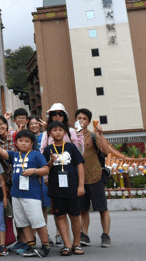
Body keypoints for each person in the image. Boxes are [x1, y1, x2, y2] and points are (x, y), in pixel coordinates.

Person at [0, 131, 50, 258]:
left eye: (27, 141)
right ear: (16, 143)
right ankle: (31, 246)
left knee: (37, 221)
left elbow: (46, 169)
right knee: (23, 223)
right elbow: (1, 152)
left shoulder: (36, 154)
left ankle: (45, 247)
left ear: (32, 143)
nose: (23, 143)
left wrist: (34, 171)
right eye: (20, 141)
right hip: (16, 194)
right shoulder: (15, 155)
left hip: (32, 195)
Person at [42, 121, 85, 255]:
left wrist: (81, 185)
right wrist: (51, 161)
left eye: (60, 130)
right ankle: (67, 245)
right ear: (50, 133)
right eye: (54, 130)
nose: (58, 132)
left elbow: (80, 165)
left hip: (72, 187)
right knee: (60, 216)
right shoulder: (48, 149)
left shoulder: (71, 147)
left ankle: (76, 244)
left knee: (75, 216)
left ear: (65, 132)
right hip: (56, 189)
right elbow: (45, 169)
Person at [74, 108, 112, 248]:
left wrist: (100, 134)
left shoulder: (93, 136)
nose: (81, 121)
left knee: (102, 208)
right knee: (82, 209)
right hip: (79, 179)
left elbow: (106, 151)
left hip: (95, 177)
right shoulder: (72, 137)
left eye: (84, 119)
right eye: (79, 118)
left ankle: (105, 235)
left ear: (89, 122)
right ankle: (84, 235)